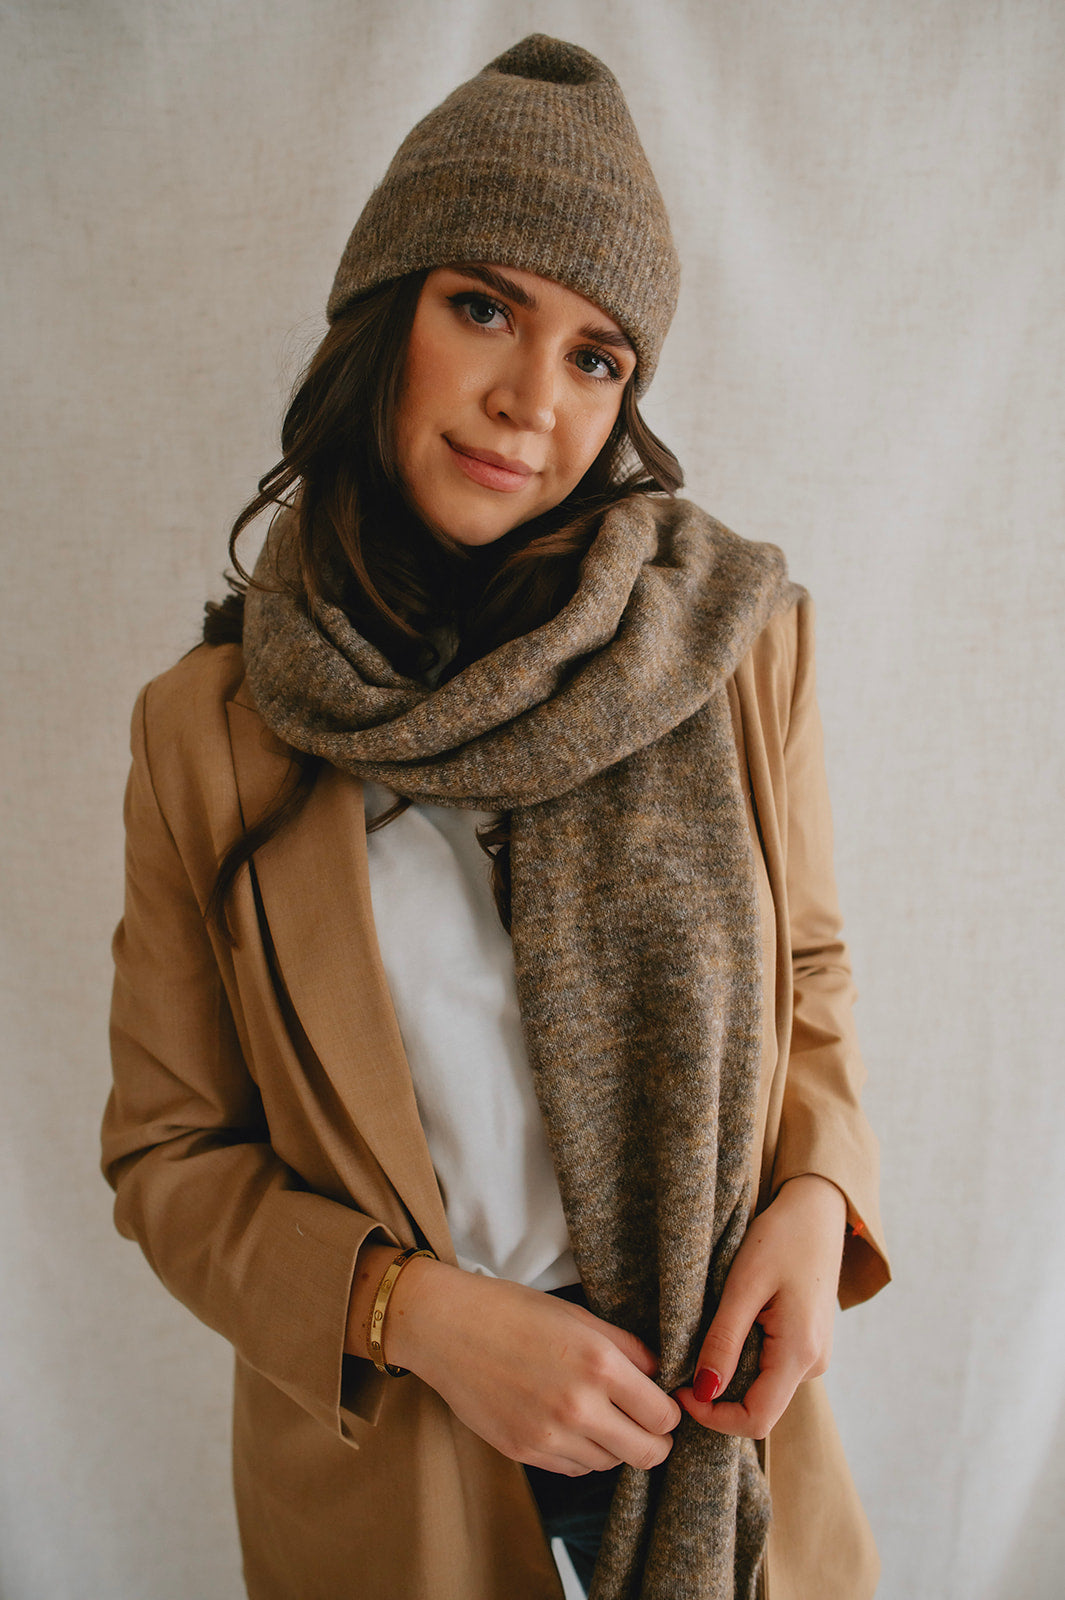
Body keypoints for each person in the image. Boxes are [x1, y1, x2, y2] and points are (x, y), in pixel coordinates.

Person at [102, 34, 889, 1600]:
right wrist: (411, 1315)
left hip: (715, 1432)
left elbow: (805, 977)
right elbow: (168, 1158)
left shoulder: (727, 643)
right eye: (483, 308)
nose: (532, 401)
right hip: (400, 1463)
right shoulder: (209, 734)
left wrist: (821, 1196)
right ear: (383, 317)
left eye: (597, 357)